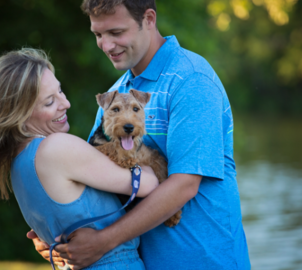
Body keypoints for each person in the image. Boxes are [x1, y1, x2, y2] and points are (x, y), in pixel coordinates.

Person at [29, 0, 251, 269]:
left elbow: (185, 184)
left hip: (204, 260)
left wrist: (101, 242)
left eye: (116, 33)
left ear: (148, 19)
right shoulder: (114, 97)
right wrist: (58, 234)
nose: (106, 46)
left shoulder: (191, 80)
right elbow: (93, 183)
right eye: (98, 35)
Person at [0, 48, 160, 270]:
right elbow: (147, 185)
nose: (65, 104)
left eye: (60, 91)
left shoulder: (18, 161)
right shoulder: (57, 147)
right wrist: (149, 162)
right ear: (20, 113)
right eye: (49, 102)